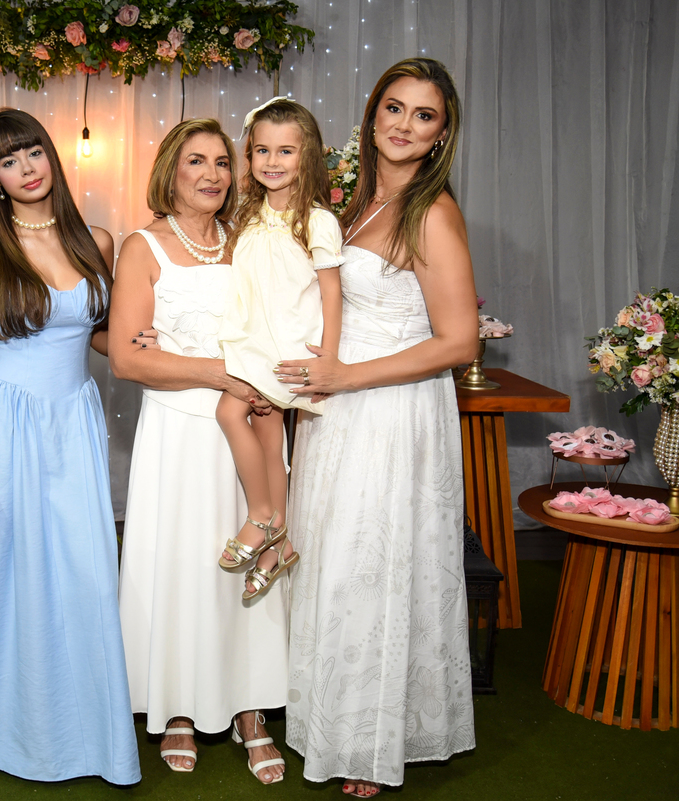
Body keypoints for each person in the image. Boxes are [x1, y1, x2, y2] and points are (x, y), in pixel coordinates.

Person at [272, 58, 479, 797]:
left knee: (375, 566)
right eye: (394, 107)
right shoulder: (356, 201)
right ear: (372, 113)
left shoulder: (432, 211)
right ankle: (328, 717)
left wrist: (345, 377)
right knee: (333, 559)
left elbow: (460, 341)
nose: (404, 125)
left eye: (424, 115)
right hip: (337, 410)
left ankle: (369, 742)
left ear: (441, 133)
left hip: (390, 413)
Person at [0, 108, 139, 785]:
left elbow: (96, 335)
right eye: (8, 161)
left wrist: (156, 341)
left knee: (82, 572)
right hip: (5, 424)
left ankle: (84, 739)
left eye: (33, 152)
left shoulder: (96, 240)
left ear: (51, 156)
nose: (26, 168)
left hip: (74, 422)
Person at [111, 118, 288, 785]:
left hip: (248, 425)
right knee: (182, 564)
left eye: (221, 162)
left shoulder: (249, 242)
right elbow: (128, 359)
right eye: (196, 161)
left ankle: (249, 707)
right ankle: (178, 706)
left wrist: (258, 380)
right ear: (171, 170)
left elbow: (278, 326)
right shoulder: (142, 247)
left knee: (248, 562)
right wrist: (221, 372)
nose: (212, 174)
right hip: (177, 433)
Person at [216, 97, 343, 599]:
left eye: (285, 151)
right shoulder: (248, 216)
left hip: (287, 346)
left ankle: (262, 516)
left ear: (306, 156)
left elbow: (331, 293)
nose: (272, 161)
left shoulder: (317, 220)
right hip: (252, 342)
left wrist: (329, 359)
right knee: (271, 443)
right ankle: (279, 545)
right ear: (249, 155)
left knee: (230, 412)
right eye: (262, 150)